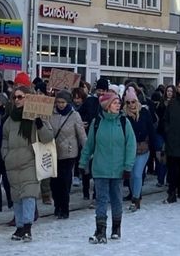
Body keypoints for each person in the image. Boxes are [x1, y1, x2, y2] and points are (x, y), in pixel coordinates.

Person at [79, 90, 135, 244]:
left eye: (119, 103)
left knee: (116, 199)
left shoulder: (124, 122)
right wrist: (82, 163)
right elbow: (89, 144)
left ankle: (116, 228)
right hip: (100, 169)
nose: (119, 105)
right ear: (107, 106)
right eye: (115, 103)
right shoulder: (97, 123)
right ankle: (100, 230)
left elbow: (131, 145)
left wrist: (128, 166)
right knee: (101, 200)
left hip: (118, 170)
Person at [0, 85, 54, 242]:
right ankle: (19, 226)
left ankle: (27, 227)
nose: (17, 100)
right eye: (15, 97)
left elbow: (48, 137)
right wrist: (5, 154)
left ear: (29, 98)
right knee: (16, 196)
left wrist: (38, 122)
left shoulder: (38, 117)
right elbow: (4, 138)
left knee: (28, 195)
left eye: (20, 97)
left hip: (29, 161)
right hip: (12, 163)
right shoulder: (10, 120)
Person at [50, 91, 86, 219]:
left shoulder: (74, 115)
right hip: (54, 151)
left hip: (69, 153)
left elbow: (81, 134)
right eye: (58, 102)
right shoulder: (51, 114)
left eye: (63, 102)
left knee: (64, 181)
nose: (60, 105)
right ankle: (57, 205)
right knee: (54, 182)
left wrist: (86, 151)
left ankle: (64, 208)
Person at [122, 88, 154, 209]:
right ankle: (133, 194)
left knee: (137, 174)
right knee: (130, 175)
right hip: (129, 149)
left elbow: (151, 130)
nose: (131, 105)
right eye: (128, 102)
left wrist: (156, 149)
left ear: (137, 101)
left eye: (133, 101)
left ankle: (136, 198)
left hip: (143, 148)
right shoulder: (123, 115)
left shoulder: (145, 113)